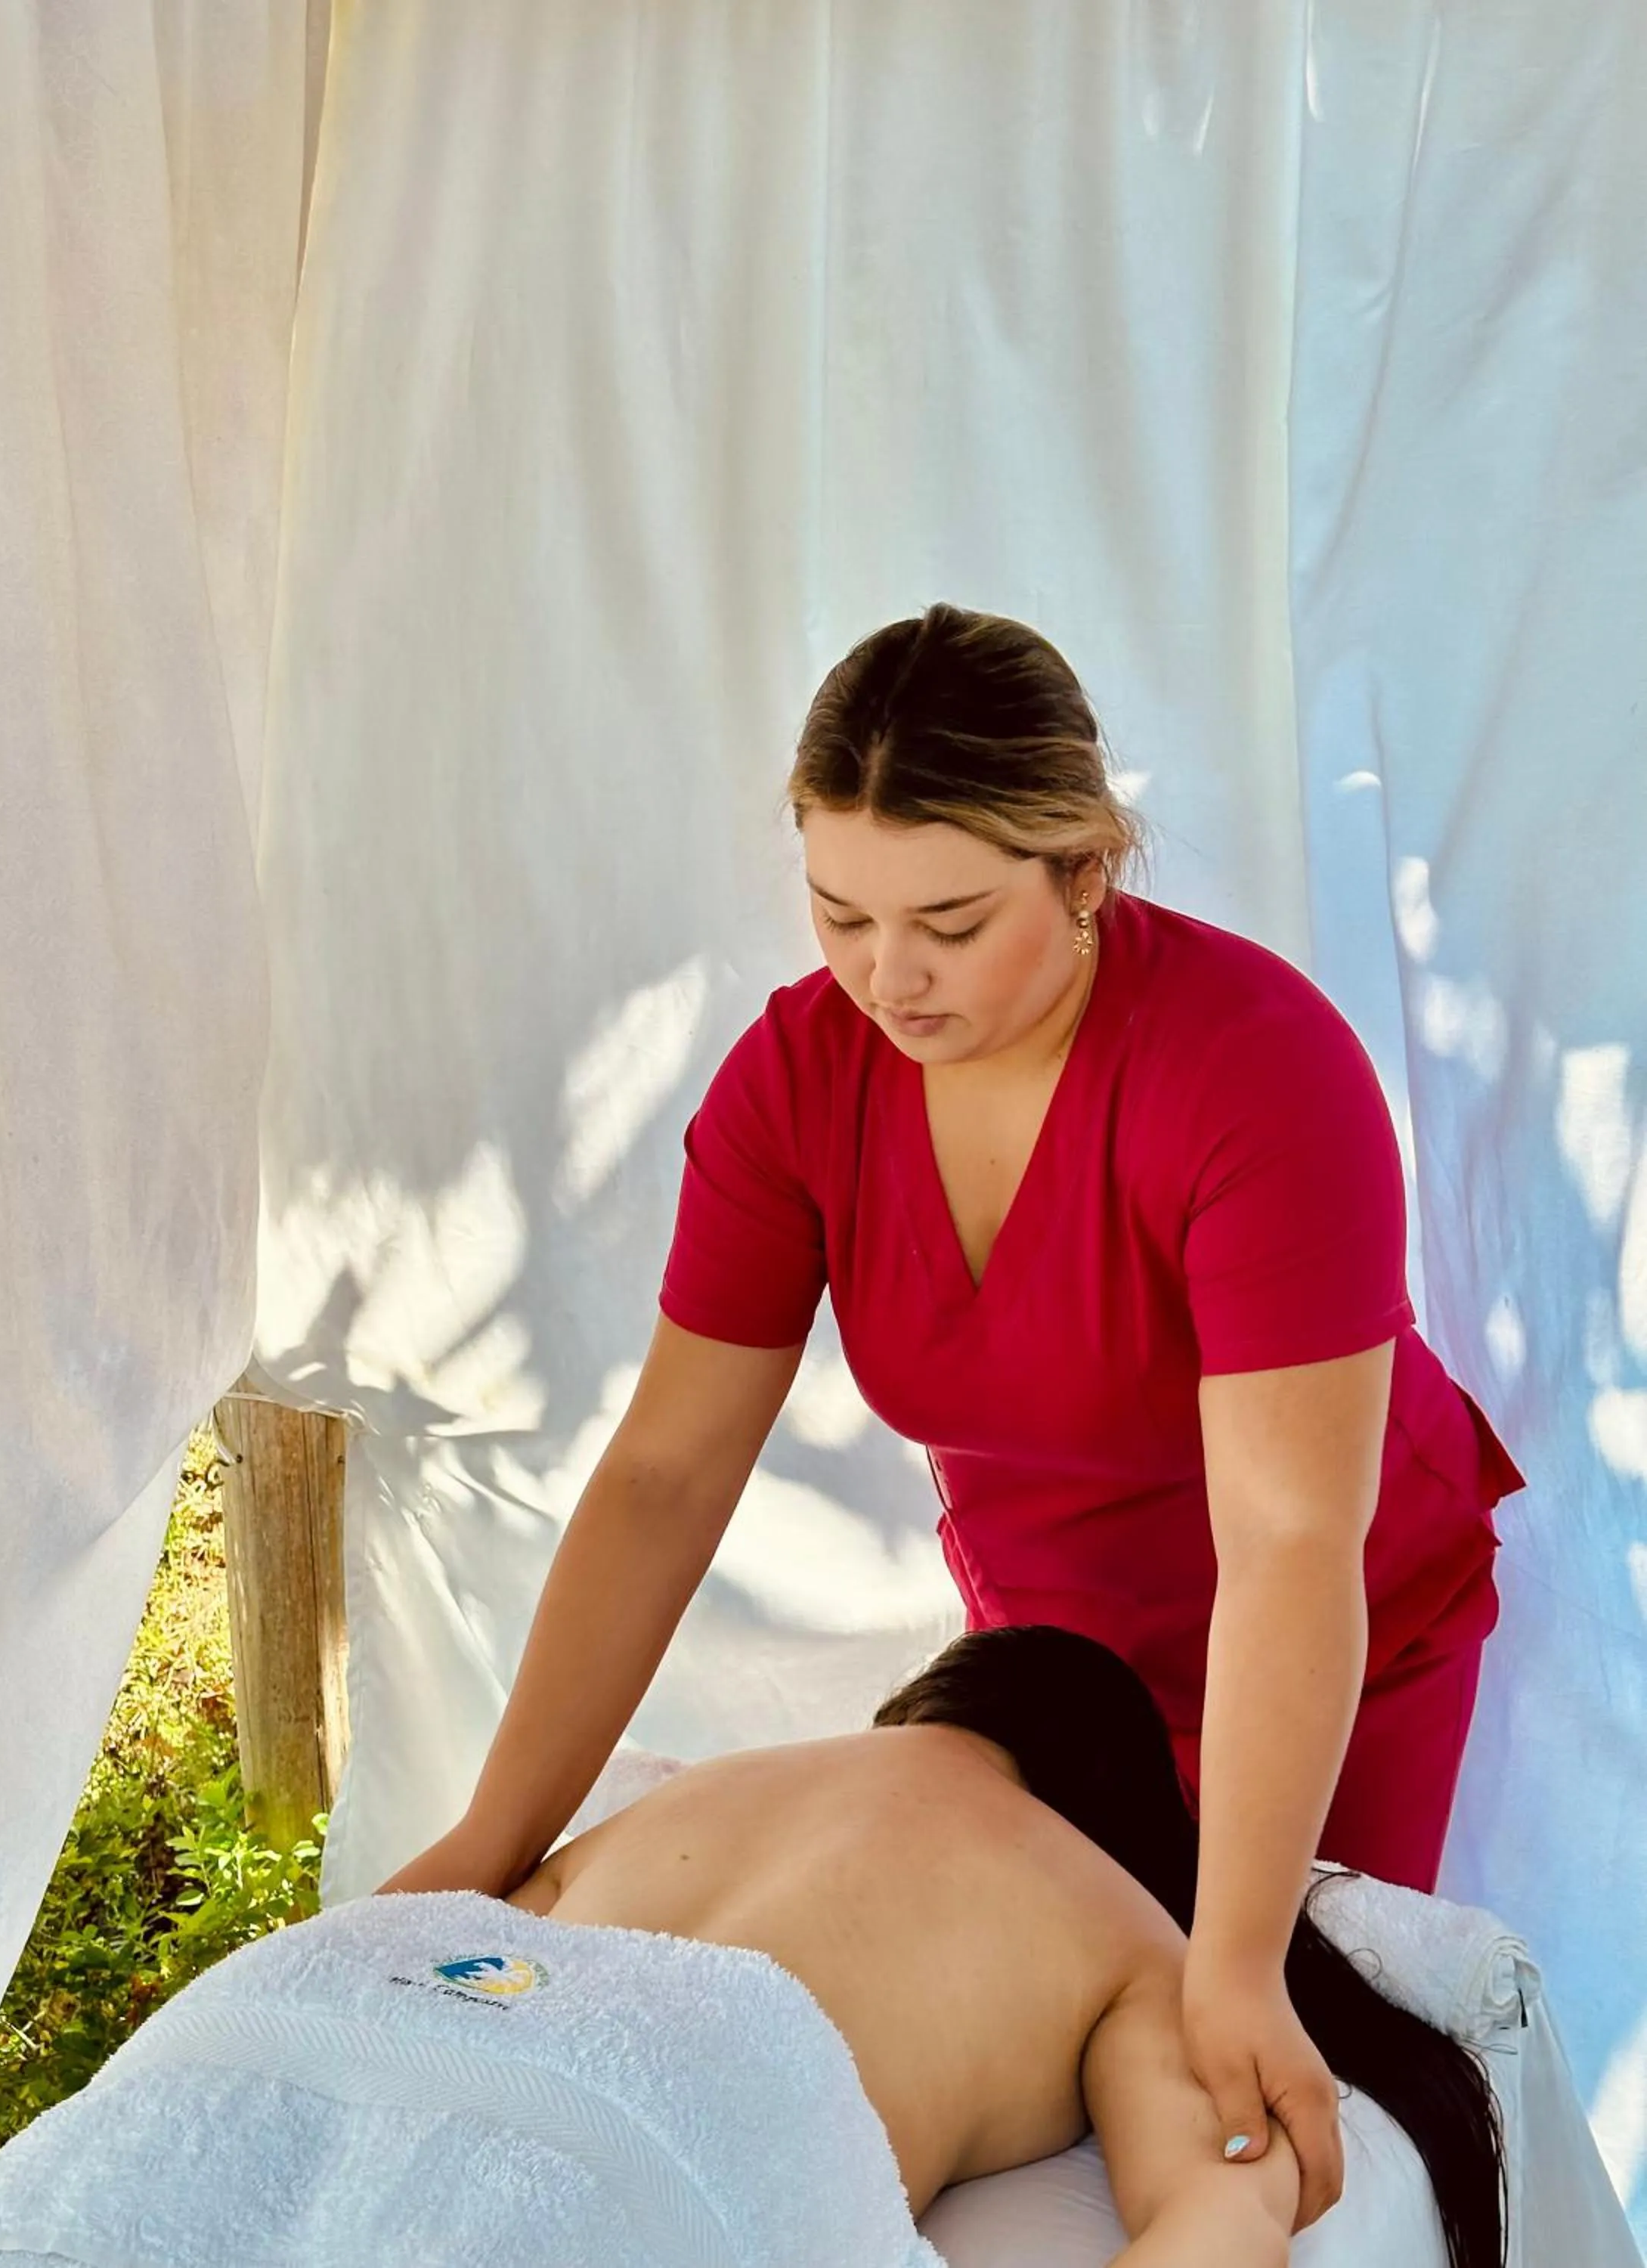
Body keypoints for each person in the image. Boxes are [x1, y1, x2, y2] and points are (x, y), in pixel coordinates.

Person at [382, 603, 1526, 2230]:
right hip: (1057, 1641)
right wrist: (498, 1828)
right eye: (840, 912)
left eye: (951, 919)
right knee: (1044, 2031)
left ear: (1087, 870)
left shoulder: (1262, 1074)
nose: (886, 976)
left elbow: (1287, 1543)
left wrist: (1246, 1956)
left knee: (1264, 2070)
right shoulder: (798, 1081)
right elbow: (663, 1476)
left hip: (1328, 1614)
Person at [0, 1630, 1505, 2268]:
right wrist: (1263, 2179)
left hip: (300, 2017)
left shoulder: (697, 1791)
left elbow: (481, 1966)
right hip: (656, 2108)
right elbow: (1204, 2228)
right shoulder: (1115, 1915)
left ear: (927, 1709)